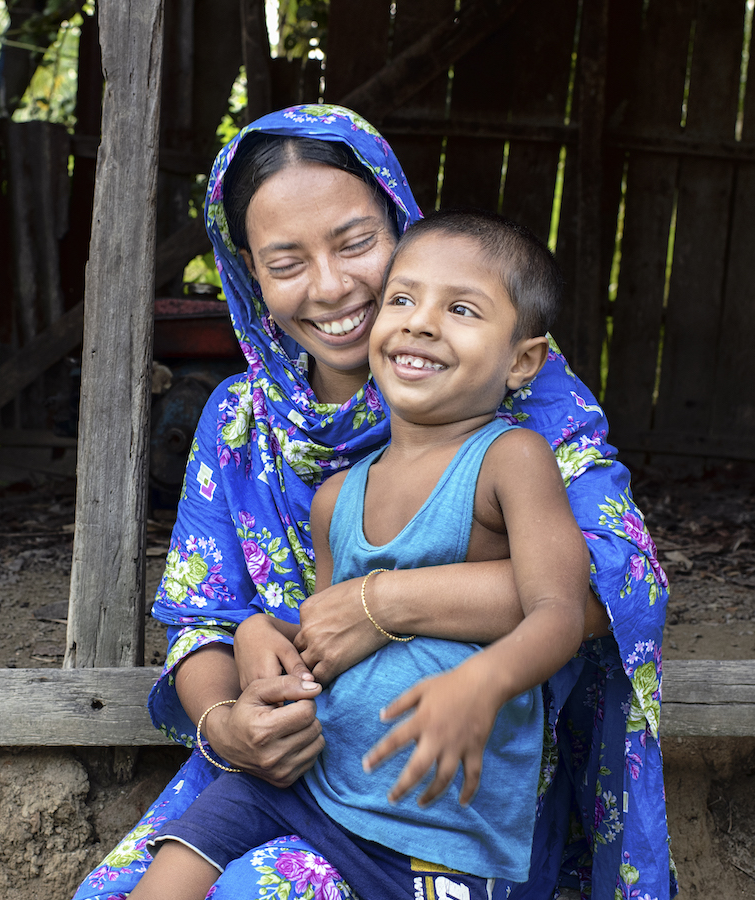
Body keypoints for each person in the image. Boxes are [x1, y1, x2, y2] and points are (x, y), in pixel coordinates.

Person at [74, 105, 672, 900]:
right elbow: (200, 622)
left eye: (357, 244)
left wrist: (383, 600)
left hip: (444, 788)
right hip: (296, 761)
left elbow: (616, 582)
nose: (332, 287)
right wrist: (230, 715)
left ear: (401, 221)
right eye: (286, 262)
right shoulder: (241, 421)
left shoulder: (521, 402)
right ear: (249, 273)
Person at [130, 209, 597, 900]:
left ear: (523, 360)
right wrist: (264, 631)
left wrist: (485, 682)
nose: (420, 322)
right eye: (402, 300)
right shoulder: (337, 497)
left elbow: (563, 608)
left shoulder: (511, 460)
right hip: (307, 782)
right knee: (163, 881)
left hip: (437, 826)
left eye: (461, 309)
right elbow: (325, 631)